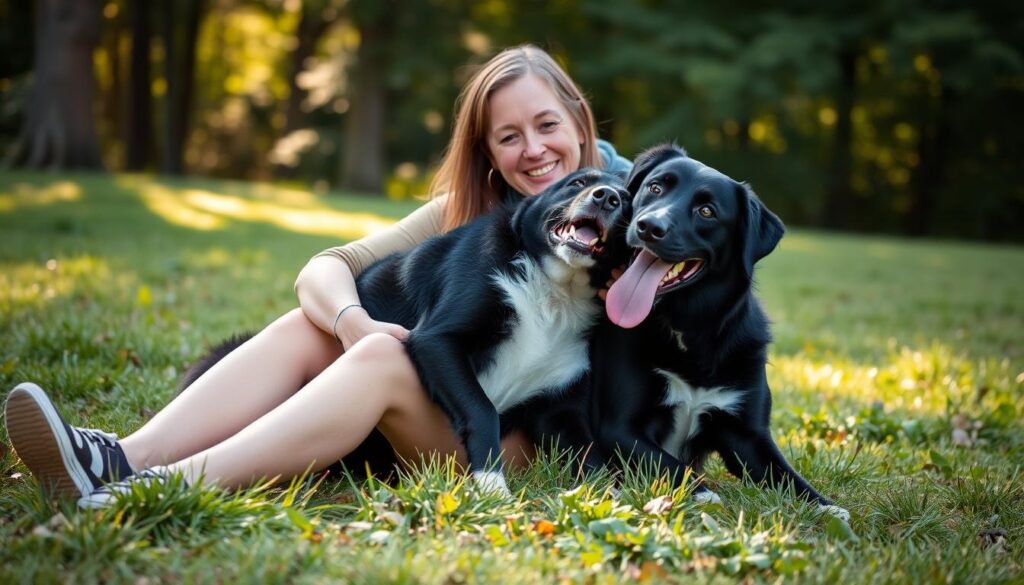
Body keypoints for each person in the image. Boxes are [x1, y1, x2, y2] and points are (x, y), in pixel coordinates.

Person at [3, 44, 631, 508]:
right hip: (443, 405)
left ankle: (156, 489)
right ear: (488, 153)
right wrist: (353, 323)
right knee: (314, 327)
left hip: (519, 441)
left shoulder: (637, 212)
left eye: (547, 125)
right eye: (509, 137)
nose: (535, 150)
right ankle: (114, 459)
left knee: (383, 361)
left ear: (579, 120)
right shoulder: (466, 212)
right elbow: (327, 268)